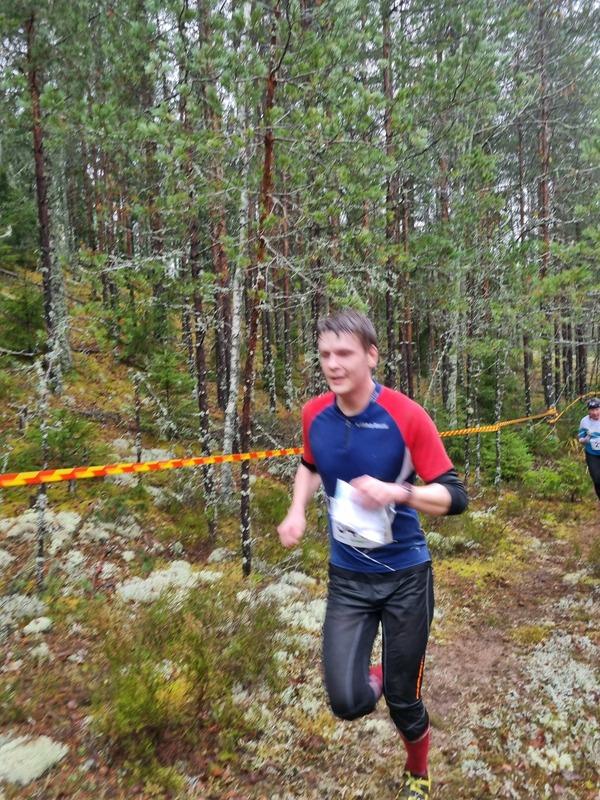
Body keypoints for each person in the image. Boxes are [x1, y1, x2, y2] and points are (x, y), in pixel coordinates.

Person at [277, 309, 467, 800]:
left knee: (403, 700)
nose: (333, 364)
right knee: (347, 700)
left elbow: (455, 497)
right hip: (348, 578)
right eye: (325, 354)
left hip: (406, 577)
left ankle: (418, 773)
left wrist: (398, 492)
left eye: (344, 353)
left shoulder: (406, 415)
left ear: (371, 355)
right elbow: (309, 465)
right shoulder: (314, 415)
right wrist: (296, 510)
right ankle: (380, 674)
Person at [578, 397, 600, 501]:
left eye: (597, 409)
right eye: (592, 410)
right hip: (592, 454)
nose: (595, 413)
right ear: (588, 411)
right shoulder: (584, 421)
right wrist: (585, 439)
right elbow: (580, 438)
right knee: (597, 478)